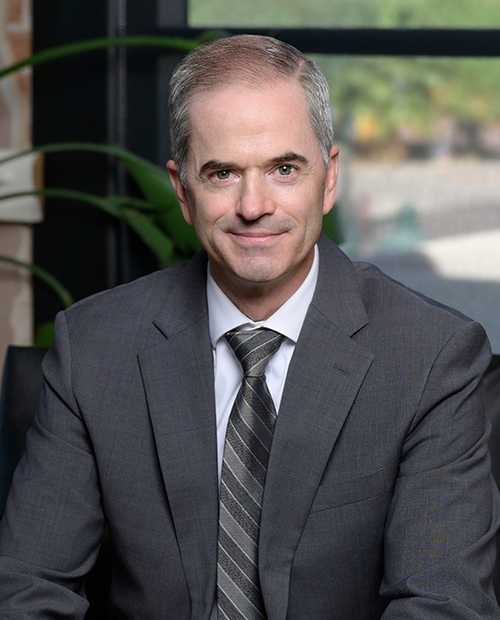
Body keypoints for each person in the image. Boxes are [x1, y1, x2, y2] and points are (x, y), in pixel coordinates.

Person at [0, 34, 499, 620]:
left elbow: (442, 605)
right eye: (222, 174)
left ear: (328, 179)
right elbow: (28, 591)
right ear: (182, 191)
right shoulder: (94, 347)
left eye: (284, 169)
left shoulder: (431, 356)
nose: (254, 205)